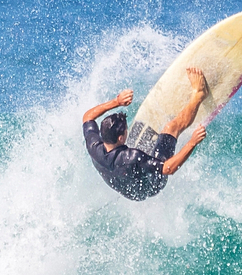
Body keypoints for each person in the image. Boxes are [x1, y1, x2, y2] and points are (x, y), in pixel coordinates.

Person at [83, 67, 208, 201]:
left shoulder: (93, 145)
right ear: (121, 138)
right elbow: (168, 169)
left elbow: (87, 117)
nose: (127, 131)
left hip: (129, 192)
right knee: (171, 127)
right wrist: (192, 142)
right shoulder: (131, 156)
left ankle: (143, 164)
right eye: (126, 130)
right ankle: (199, 94)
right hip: (150, 185)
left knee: (139, 161)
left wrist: (117, 102)